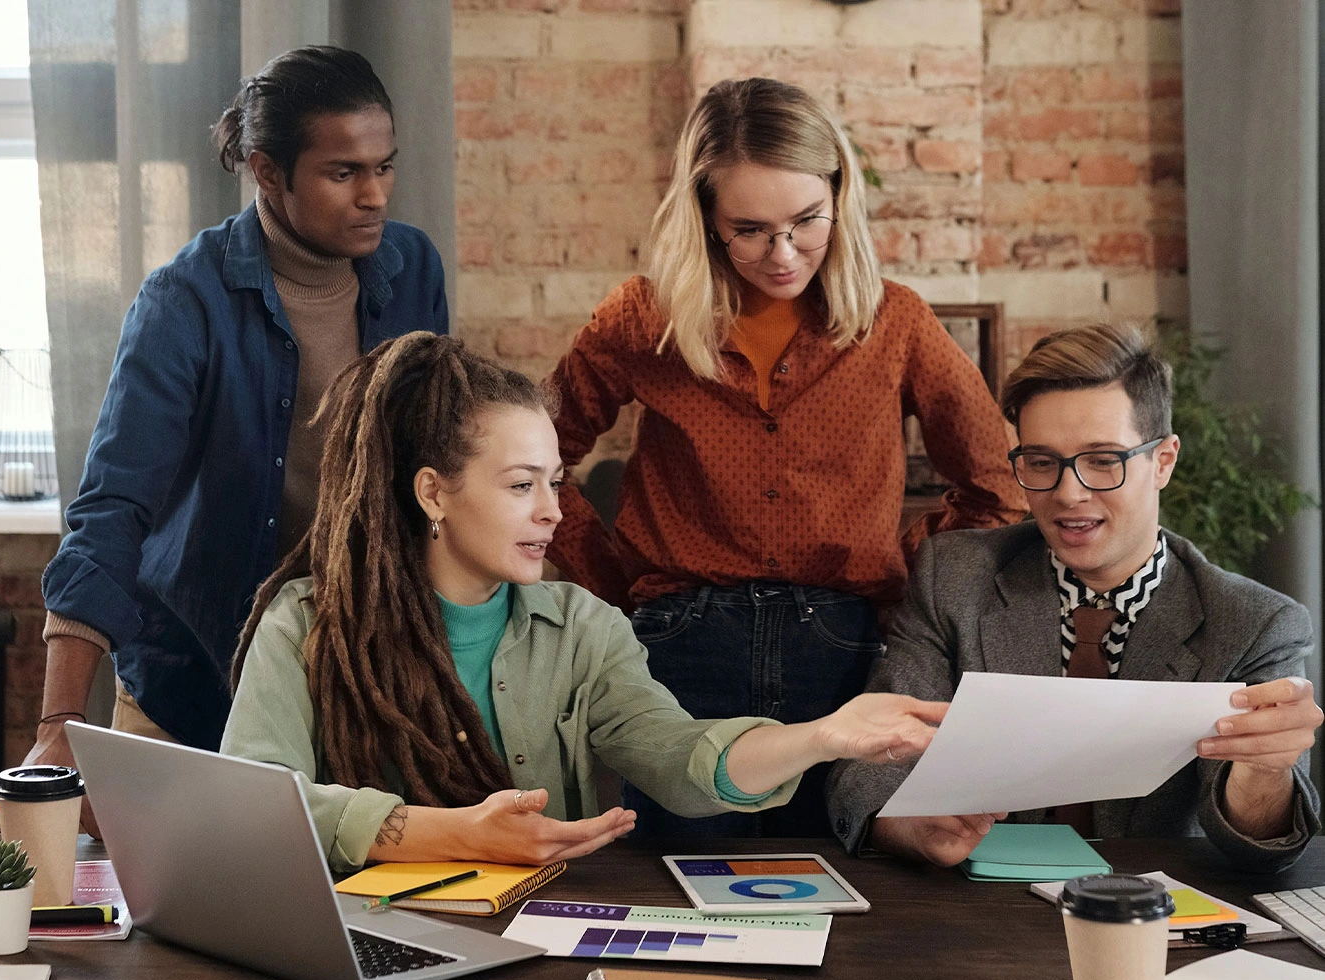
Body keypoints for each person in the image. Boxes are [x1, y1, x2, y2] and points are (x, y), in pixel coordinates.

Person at [0, 46, 447, 846]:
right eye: (344, 172)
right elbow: (113, 508)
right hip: (195, 681)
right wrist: (58, 727)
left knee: (344, 930)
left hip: (358, 684)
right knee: (168, 944)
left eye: (385, 167)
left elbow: (432, 468)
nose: (375, 196)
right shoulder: (184, 299)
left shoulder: (412, 267)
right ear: (266, 171)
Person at [220, 333, 950, 871]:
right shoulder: (307, 624)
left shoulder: (584, 628)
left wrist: (823, 736)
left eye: (555, 480)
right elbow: (254, 806)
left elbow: (677, 757)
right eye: (519, 485)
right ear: (433, 490)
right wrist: (449, 834)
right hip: (366, 947)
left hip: (541, 942)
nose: (553, 512)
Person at [546, 77, 1026, 840]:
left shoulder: (894, 322)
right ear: (705, 216)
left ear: (840, 193)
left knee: (841, 883)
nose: (783, 253)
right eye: (750, 229)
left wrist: (898, 565)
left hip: (839, 648)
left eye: (807, 221)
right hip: (679, 647)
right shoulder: (643, 320)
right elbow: (540, 460)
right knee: (678, 884)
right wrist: (611, 588)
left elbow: (999, 488)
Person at [827, 323, 1323, 873]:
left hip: (1154, 916)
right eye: (1041, 462)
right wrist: (907, 824)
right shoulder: (955, 575)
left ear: (1163, 461)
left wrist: (1266, 770)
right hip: (979, 913)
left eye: (1103, 460)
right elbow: (869, 762)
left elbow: (1259, 845)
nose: (1069, 493)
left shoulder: (1255, 622)